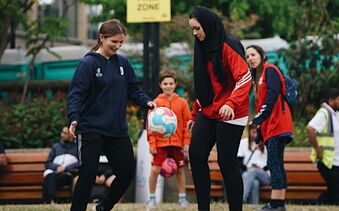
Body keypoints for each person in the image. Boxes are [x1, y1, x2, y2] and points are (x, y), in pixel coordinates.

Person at [67, 19, 156, 211]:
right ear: (102, 38)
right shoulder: (87, 63)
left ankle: (103, 208)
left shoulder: (123, 63)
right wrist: (73, 118)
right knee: (87, 175)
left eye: (121, 42)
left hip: (117, 129)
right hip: (91, 128)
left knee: (126, 173)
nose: (117, 46)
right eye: (113, 42)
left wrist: (147, 102)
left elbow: (134, 89)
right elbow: (76, 94)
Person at [187, 6, 252, 211]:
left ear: (208, 25)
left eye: (197, 28)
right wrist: (194, 113)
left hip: (232, 111)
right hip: (208, 110)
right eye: (193, 29)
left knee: (227, 163)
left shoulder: (228, 45)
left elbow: (244, 77)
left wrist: (231, 103)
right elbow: (204, 84)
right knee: (196, 156)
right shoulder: (202, 47)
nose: (195, 33)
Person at [247, 45, 293, 211]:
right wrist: (259, 134)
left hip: (278, 125)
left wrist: (259, 118)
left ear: (262, 55)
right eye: (248, 56)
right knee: (276, 163)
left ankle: (275, 203)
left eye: (253, 54)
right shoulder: (257, 77)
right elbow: (261, 107)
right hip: (269, 128)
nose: (250, 58)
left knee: (274, 162)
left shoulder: (270, 70)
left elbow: (273, 95)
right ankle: (279, 204)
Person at [146, 69, 191, 210]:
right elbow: (149, 125)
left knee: (180, 170)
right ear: (160, 85)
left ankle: (182, 198)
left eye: (171, 83)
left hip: (177, 144)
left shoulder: (182, 103)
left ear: (175, 84)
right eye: (165, 83)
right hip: (160, 144)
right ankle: (151, 199)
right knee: (154, 170)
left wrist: (186, 143)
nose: (168, 86)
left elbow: (188, 124)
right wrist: (152, 143)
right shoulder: (155, 103)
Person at [306, 88, 339, 205]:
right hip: (328, 161)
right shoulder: (324, 113)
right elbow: (310, 129)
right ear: (331, 101)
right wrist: (318, 149)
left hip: (336, 162)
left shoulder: (335, 115)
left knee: (335, 192)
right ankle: (316, 205)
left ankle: (316, 205)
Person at [42, 126, 79, 204]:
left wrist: (65, 168)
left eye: (65, 133)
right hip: (54, 173)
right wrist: (57, 167)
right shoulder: (56, 147)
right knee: (50, 176)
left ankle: (48, 201)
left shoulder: (77, 148)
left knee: (50, 178)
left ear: (71, 134)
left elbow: (79, 163)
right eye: (62, 132)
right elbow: (48, 163)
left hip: (68, 175)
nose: (62, 135)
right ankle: (51, 201)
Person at [238, 124, 270, 204]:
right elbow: (238, 161)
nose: (255, 135)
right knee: (255, 183)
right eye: (253, 132)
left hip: (265, 175)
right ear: (249, 132)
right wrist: (246, 168)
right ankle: (253, 205)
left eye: (257, 132)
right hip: (248, 173)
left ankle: (241, 199)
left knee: (253, 172)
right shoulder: (243, 143)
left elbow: (271, 162)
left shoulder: (266, 143)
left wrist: (261, 168)